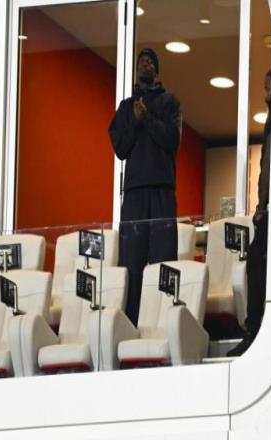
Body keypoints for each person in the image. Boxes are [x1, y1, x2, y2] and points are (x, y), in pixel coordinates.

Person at [108, 48, 182, 325]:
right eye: (141, 61)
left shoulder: (169, 102)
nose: (145, 64)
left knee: (163, 258)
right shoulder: (126, 107)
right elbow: (120, 148)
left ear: (157, 69)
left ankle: (163, 320)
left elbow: (172, 139)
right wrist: (136, 121)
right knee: (132, 259)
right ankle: (131, 322)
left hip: (162, 189)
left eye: (150, 61)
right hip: (135, 192)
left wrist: (147, 118)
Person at [228, 68, 271, 356]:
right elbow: (265, 169)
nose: (265, 93)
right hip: (267, 209)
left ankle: (258, 331)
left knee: (259, 266)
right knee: (256, 266)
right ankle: (255, 329)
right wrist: (260, 205)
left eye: (269, 87)